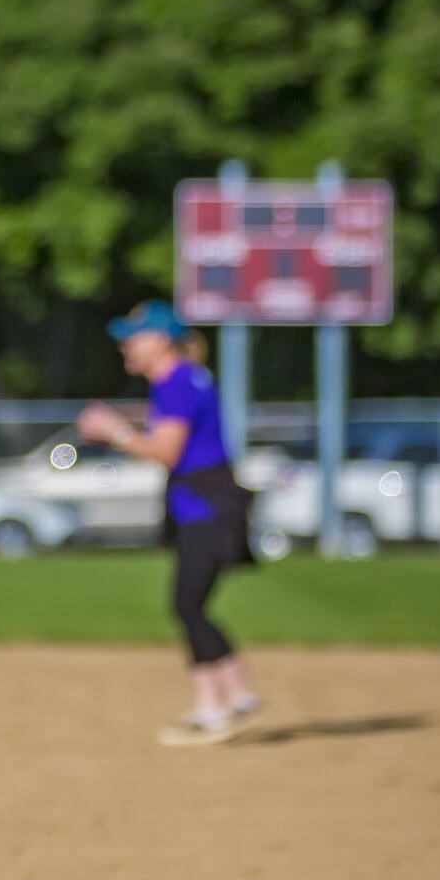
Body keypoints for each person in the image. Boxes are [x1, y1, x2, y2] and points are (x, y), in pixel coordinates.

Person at [78, 300, 261, 745]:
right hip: (204, 505)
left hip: (205, 508)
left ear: (160, 341)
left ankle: (216, 705)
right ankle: (230, 697)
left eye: (133, 337)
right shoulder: (183, 379)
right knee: (191, 605)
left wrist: (112, 431)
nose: (125, 347)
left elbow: (166, 452)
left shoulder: (176, 382)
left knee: (187, 605)